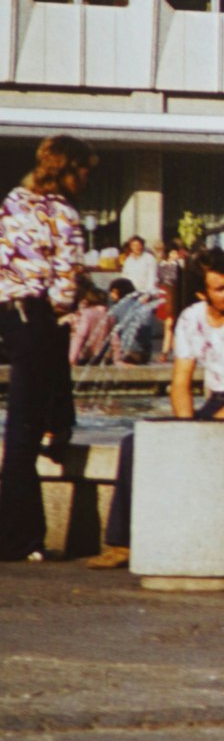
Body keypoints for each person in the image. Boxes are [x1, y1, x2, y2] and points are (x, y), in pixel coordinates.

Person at [92, 247, 224, 568]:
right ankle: (123, 542)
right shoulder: (191, 318)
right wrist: (186, 428)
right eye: (221, 288)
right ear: (201, 293)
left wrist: (203, 433)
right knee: (135, 445)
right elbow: (180, 384)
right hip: (216, 404)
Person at [0, 134, 94, 563]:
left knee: (25, 421)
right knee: (22, 435)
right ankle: (21, 537)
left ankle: (61, 424)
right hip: (38, 317)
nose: (87, 179)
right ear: (69, 169)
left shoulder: (13, 202)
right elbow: (65, 286)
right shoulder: (64, 214)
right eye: (84, 170)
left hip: (9, 314)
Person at [65, 284, 114, 366]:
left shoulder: (88, 314)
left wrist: (72, 358)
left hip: (86, 358)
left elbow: (80, 336)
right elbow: (115, 339)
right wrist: (117, 359)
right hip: (104, 358)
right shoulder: (110, 315)